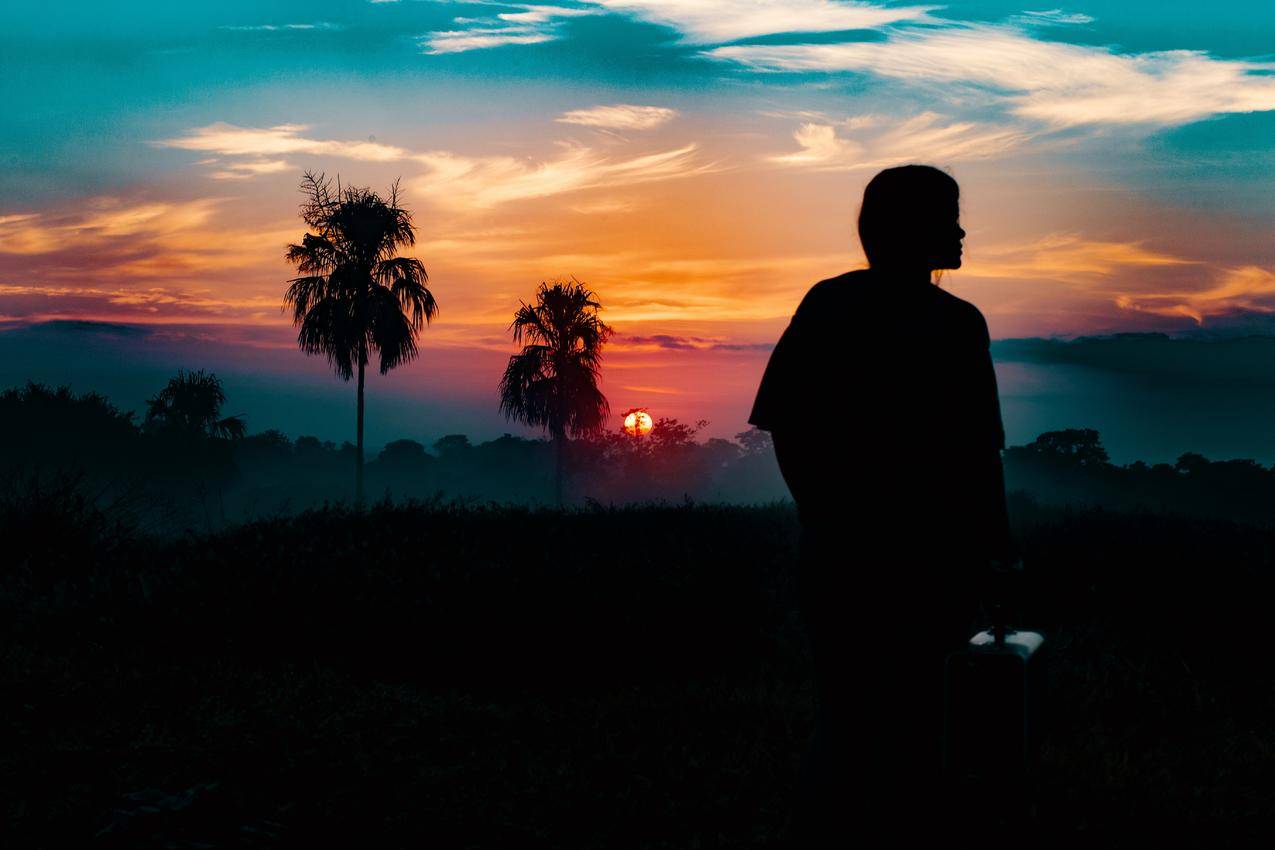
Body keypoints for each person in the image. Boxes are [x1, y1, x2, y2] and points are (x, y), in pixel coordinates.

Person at [748, 164, 1016, 842]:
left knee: (851, 719)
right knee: (908, 725)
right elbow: (978, 458)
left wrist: (824, 517)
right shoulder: (952, 323)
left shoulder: (833, 305)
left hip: (856, 556)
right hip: (922, 560)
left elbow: (787, 424)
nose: (960, 232)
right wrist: (994, 555)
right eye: (946, 217)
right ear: (906, 228)